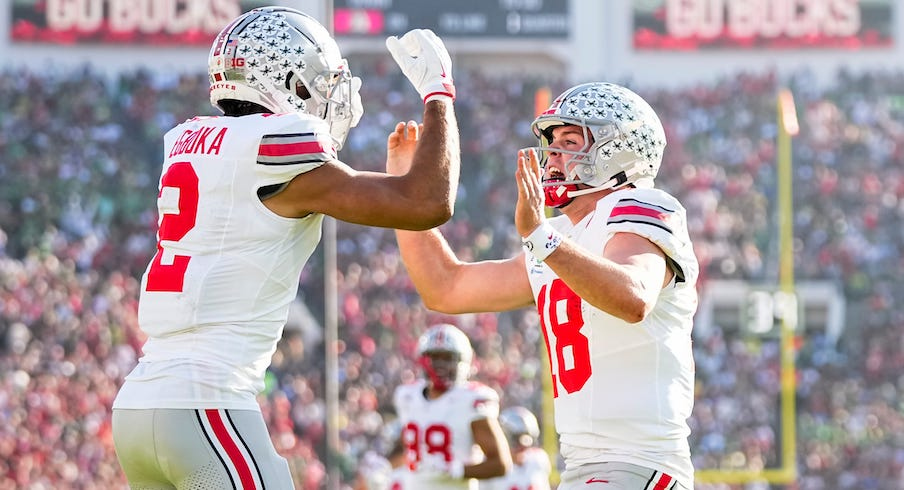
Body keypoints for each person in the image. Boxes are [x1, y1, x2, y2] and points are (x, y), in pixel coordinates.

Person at [111, 5, 460, 489]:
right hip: (206, 401)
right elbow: (428, 203)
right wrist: (439, 95)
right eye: (319, 80)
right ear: (292, 83)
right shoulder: (278, 150)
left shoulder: (191, 141)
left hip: (139, 404)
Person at [392, 82, 698, 489]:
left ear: (617, 150)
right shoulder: (559, 237)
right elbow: (445, 287)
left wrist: (541, 237)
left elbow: (633, 296)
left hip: (638, 461)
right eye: (552, 144)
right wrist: (401, 189)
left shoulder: (639, 205)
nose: (553, 156)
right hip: (585, 466)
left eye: (569, 142)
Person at [393, 323, 512, 489]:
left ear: (463, 361)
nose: (440, 364)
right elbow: (407, 447)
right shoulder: (407, 396)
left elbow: (501, 464)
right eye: (434, 357)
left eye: (448, 358)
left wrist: (457, 470)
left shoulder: (471, 400)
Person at [482, 406, 552, 490]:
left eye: (528, 439)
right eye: (517, 439)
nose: (523, 446)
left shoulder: (539, 459)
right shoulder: (490, 466)